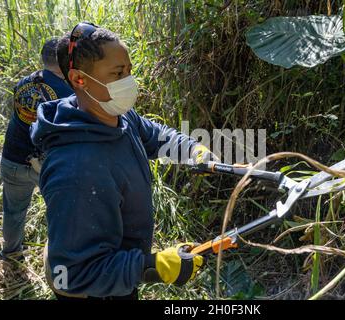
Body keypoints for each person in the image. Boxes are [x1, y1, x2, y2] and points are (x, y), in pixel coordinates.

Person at [30, 22, 217, 300]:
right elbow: (68, 275)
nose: (129, 82)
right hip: (93, 291)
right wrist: (150, 267)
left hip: (118, 273)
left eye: (129, 71)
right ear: (79, 79)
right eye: (118, 73)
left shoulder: (116, 115)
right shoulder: (74, 171)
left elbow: (154, 135)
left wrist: (190, 150)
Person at [0, 38, 74, 262]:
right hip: (45, 165)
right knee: (62, 213)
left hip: (12, 158)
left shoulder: (24, 82)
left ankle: (11, 254)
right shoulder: (66, 91)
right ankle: (61, 260)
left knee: (13, 212)